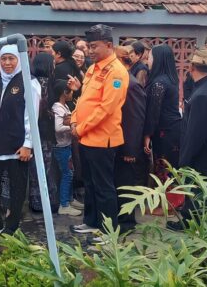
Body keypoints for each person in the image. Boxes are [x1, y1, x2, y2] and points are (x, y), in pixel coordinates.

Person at [0, 44, 41, 237]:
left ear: (20, 60)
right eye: (4, 59)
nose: (7, 63)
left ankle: (12, 226)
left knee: (17, 187)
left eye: (11, 58)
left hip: (18, 147)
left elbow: (32, 115)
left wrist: (28, 144)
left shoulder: (29, 82)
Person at [69, 24, 128, 240]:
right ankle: (91, 222)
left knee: (104, 187)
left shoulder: (117, 72)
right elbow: (84, 99)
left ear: (109, 45)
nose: (90, 51)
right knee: (90, 184)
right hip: (86, 138)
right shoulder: (94, 68)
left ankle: (108, 231)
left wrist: (81, 128)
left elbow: (106, 108)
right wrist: (75, 121)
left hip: (104, 140)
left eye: (94, 47)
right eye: (89, 47)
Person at [168, 49, 207, 230]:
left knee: (196, 189)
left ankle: (192, 224)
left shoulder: (203, 93)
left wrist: (184, 160)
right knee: (203, 188)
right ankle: (199, 221)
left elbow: (195, 133)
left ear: (191, 67)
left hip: (202, 152)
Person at [113, 46, 147, 232]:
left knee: (125, 185)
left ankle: (126, 222)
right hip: (118, 142)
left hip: (127, 146)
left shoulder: (132, 84)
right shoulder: (121, 80)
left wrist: (130, 150)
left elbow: (135, 120)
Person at [28, 53, 59, 213]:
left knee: (36, 168)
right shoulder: (44, 83)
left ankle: (36, 201)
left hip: (36, 132)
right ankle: (44, 202)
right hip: (44, 132)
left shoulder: (32, 81)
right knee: (44, 168)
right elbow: (43, 109)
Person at [143, 44, 182, 168]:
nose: (147, 61)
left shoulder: (159, 83)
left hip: (164, 133)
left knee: (164, 170)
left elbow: (153, 112)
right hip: (173, 130)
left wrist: (147, 134)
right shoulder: (170, 79)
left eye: (149, 58)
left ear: (157, 59)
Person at [51, 80, 81, 217]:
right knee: (67, 174)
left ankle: (69, 199)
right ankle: (64, 204)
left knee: (69, 173)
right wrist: (72, 127)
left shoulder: (64, 106)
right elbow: (58, 128)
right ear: (64, 92)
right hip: (61, 147)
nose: (72, 92)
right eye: (70, 90)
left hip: (66, 146)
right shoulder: (58, 107)